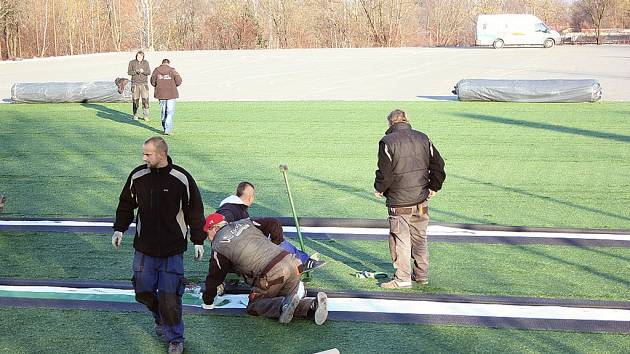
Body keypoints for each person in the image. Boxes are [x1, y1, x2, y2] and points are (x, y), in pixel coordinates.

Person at [112, 136, 205, 354]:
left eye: (148, 154)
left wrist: (198, 240)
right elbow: (126, 203)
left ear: (161, 154)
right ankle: (159, 316)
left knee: (170, 297)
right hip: (144, 248)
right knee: (142, 291)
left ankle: (175, 339)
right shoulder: (138, 176)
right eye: (143, 154)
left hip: (173, 250)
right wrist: (119, 228)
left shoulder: (181, 179)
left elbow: (195, 211)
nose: (143, 158)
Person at [201, 213, 328, 325]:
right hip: (293, 262)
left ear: (215, 228)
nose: (209, 238)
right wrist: (276, 244)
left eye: (208, 233)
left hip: (272, 272)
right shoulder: (246, 222)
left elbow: (214, 277)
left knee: (254, 305)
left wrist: (208, 301)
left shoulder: (219, 245)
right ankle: (312, 306)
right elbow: (274, 223)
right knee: (286, 300)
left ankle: (283, 304)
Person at [374, 109, 446, 289]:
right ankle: (421, 275)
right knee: (420, 238)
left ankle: (402, 279)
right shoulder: (423, 138)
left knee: (401, 240)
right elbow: (438, 165)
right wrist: (434, 187)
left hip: (399, 203)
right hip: (421, 201)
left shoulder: (387, 142)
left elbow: (385, 173)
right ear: (407, 120)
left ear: (390, 123)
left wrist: (379, 188)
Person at [217, 181, 325, 272]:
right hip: (242, 254)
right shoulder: (231, 209)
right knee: (275, 241)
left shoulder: (235, 207)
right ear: (250, 198)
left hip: (240, 251)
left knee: (272, 239)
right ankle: (303, 261)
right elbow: (224, 217)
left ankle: (302, 259)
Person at [150, 59, 182, 135]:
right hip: (171, 93)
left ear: (162, 63)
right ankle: (168, 130)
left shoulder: (156, 70)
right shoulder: (173, 70)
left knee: (163, 111)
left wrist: (159, 86)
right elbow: (179, 81)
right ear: (168, 63)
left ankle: (165, 128)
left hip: (160, 94)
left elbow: (152, 82)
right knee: (170, 112)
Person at [127, 50, 151, 121]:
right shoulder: (132, 62)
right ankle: (135, 115)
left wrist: (143, 71)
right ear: (136, 56)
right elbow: (129, 72)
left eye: (140, 56)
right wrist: (136, 71)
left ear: (143, 57)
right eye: (138, 56)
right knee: (135, 100)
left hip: (144, 84)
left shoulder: (146, 62)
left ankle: (146, 116)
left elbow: (149, 72)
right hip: (135, 84)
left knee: (145, 100)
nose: (139, 57)